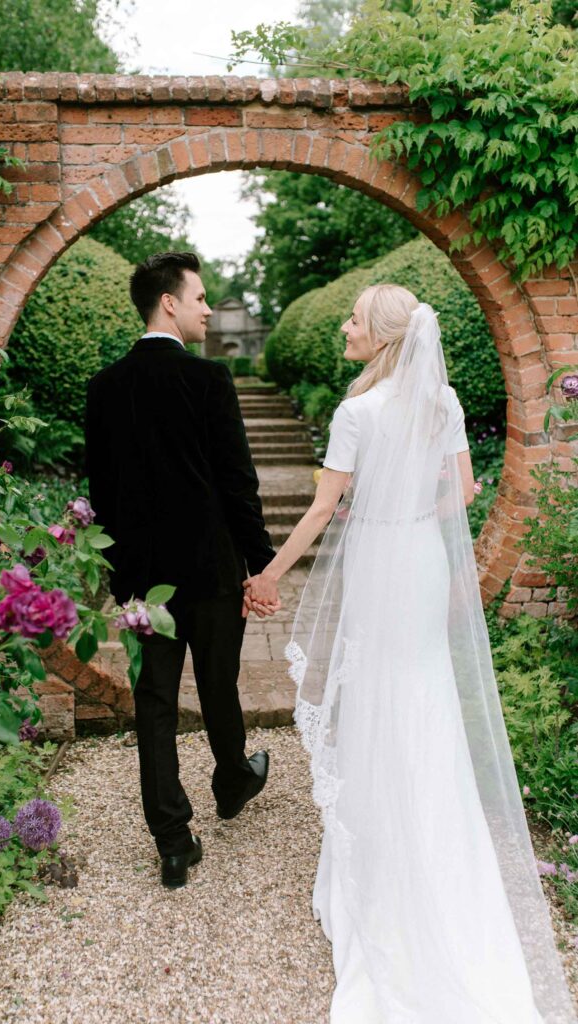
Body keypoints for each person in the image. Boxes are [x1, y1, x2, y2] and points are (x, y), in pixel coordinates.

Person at [244, 284, 576, 1023]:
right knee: (421, 693)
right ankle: (437, 847)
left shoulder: (356, 411)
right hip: (420, 561)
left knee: (378, 696)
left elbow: (324, 508)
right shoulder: (441, 400)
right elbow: (460, 491)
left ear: (385, 336)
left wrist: (266, 574)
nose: (343, 325)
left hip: (377, 563)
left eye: (353, 319)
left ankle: (382, 859)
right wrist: (413, 511)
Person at [85, 252, 275, 890]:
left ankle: (172, 841)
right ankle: (232, 780)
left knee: (156, 706)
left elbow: (102, 498)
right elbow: (237, 484)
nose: (204, 308)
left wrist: (120, 581)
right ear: (169, 302)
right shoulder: (209, 380)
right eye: (198, 297)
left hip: (146, 585)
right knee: (219, 686)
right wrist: (262, 564)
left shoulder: (104, 387)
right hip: (212, 573)